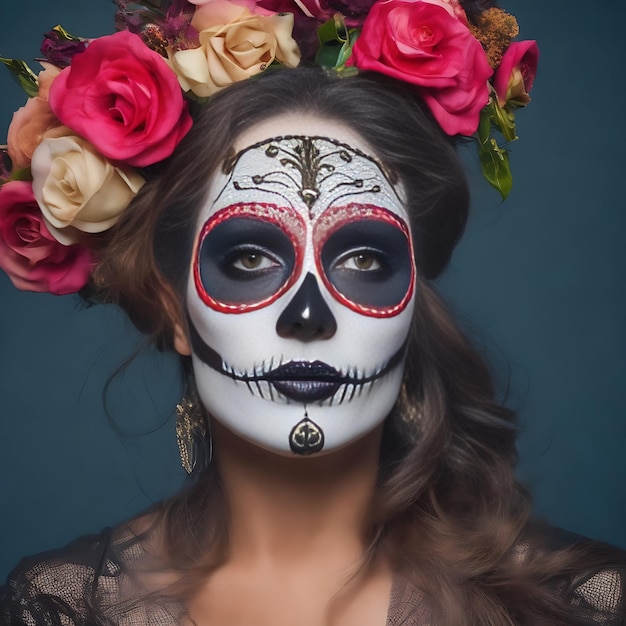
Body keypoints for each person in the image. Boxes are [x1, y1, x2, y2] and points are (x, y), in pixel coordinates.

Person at [0, 1, 624, 625]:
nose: (309, 313)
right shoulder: (60, 606)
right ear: (174, 309)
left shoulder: (585, 606)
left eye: (363, 259)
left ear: (413, 303)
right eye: (247, 258)